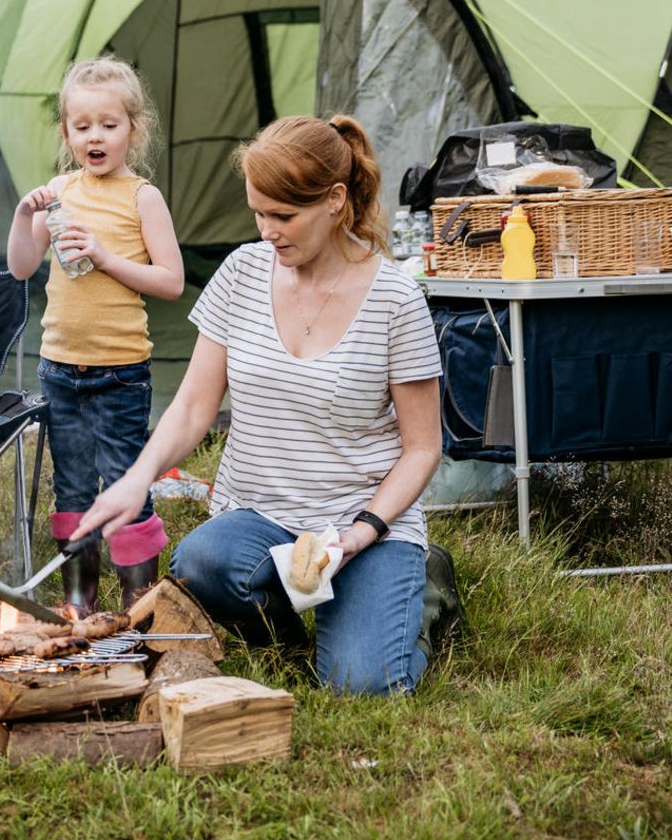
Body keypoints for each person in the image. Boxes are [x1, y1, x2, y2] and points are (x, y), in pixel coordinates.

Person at [71, 114, 447, 695]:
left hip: (363, 522)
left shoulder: (396, 298)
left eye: (283, 216)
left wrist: (363, 531)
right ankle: (299, 632)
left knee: (363, 685)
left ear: (334, 200)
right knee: (201, 563)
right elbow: (193, 407)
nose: (267, 231)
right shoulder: (241, 273)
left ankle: (424, 600)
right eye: (258, 213)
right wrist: (136, 479)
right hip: (261, 518)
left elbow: (423, 448)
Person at [6, 58, 184, 611]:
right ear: (66, 133)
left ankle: (138, 603)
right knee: (73, 487)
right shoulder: (58, 193)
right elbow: (21, 267)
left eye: (109, 124)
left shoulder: (142, 198)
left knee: (126, 482)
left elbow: (172, 282)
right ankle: (79, 601)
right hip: (60, 369)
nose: (95, 137)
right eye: (82, 126)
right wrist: (22, 217)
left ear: (134, 129)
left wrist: (106, 258)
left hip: (120, 372)